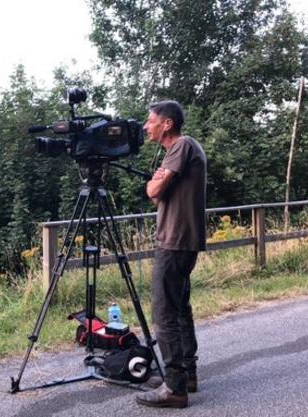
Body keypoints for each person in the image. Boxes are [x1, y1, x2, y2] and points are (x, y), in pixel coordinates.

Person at [135, 101, 207, 409]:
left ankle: (175, 387)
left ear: (167, 124)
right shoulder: (178, 151)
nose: (145, 126)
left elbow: (152, 192)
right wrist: (157, 183)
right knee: (179, 308)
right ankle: (186, 374)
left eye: (150, 121)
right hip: (181, 240)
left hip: (174, 240)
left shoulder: (182, 145)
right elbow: (157, 193)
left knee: (164, 312)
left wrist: (156, 182)